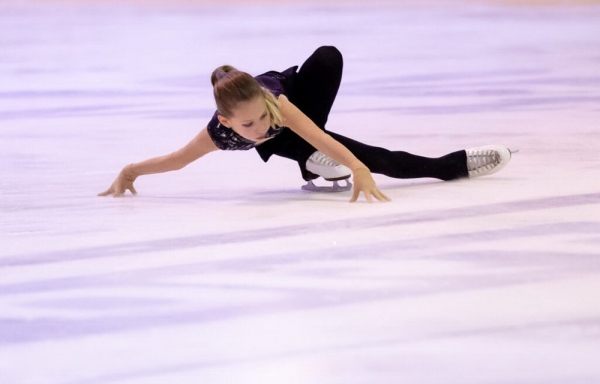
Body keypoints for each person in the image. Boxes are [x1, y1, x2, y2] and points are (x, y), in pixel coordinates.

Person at [99, 46, 512, 202]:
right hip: (284, 139)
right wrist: (129, 171)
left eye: (263, 116)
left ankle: (310, 160)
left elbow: (318, 134)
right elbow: (176, 161)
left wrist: (357, 168)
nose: (260, 126)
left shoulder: (278, 106)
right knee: (367, 156)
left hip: (301, 105)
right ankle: (450, 166)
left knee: (328, 57)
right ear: (226, 122)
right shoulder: (218, 134)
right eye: (249, 124)